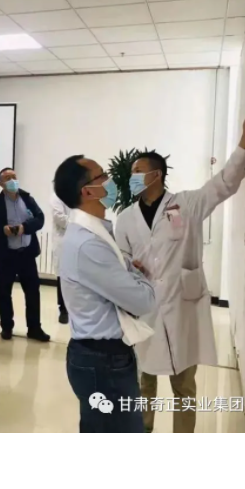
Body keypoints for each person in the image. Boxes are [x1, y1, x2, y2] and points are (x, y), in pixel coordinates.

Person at [115, 105, 245, 433]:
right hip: (145, 310)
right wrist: (131, 266)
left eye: (138, 171)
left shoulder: (187, 204)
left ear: (157, 175)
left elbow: (224, 183)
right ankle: (142, 431)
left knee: (184, 387)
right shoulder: (126, 218)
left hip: (181, 308)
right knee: (144, 383)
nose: (132, 177)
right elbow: (122, 258)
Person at [54, 155, 156, 432]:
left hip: (102, 358)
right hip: (103, 362)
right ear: (87, 191)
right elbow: (143, 301)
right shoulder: (88, 243)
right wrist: (139, 276)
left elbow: (123, 274)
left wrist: (127, 271)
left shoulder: (94, 232)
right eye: (102, 176)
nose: (110, 180)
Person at [0, 168, 50, 342]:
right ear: (1, 184)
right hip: (5, 256)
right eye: (7, 178)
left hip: (27, 254)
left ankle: (34, 328)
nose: (12, 180)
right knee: (4, 293)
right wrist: (2, 230)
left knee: (32, 292)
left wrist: (24, 228)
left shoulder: (27, 199)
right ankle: (7, 327)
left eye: (14, 176)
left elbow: (40, 219)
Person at [50, 191, 70, 324]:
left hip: (78, 240)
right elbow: (59, 218)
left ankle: (74, 309)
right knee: (62, 276)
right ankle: (63, 310)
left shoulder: (78, 194)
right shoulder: (57, 196)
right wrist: (80, 223)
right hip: (63, 241)